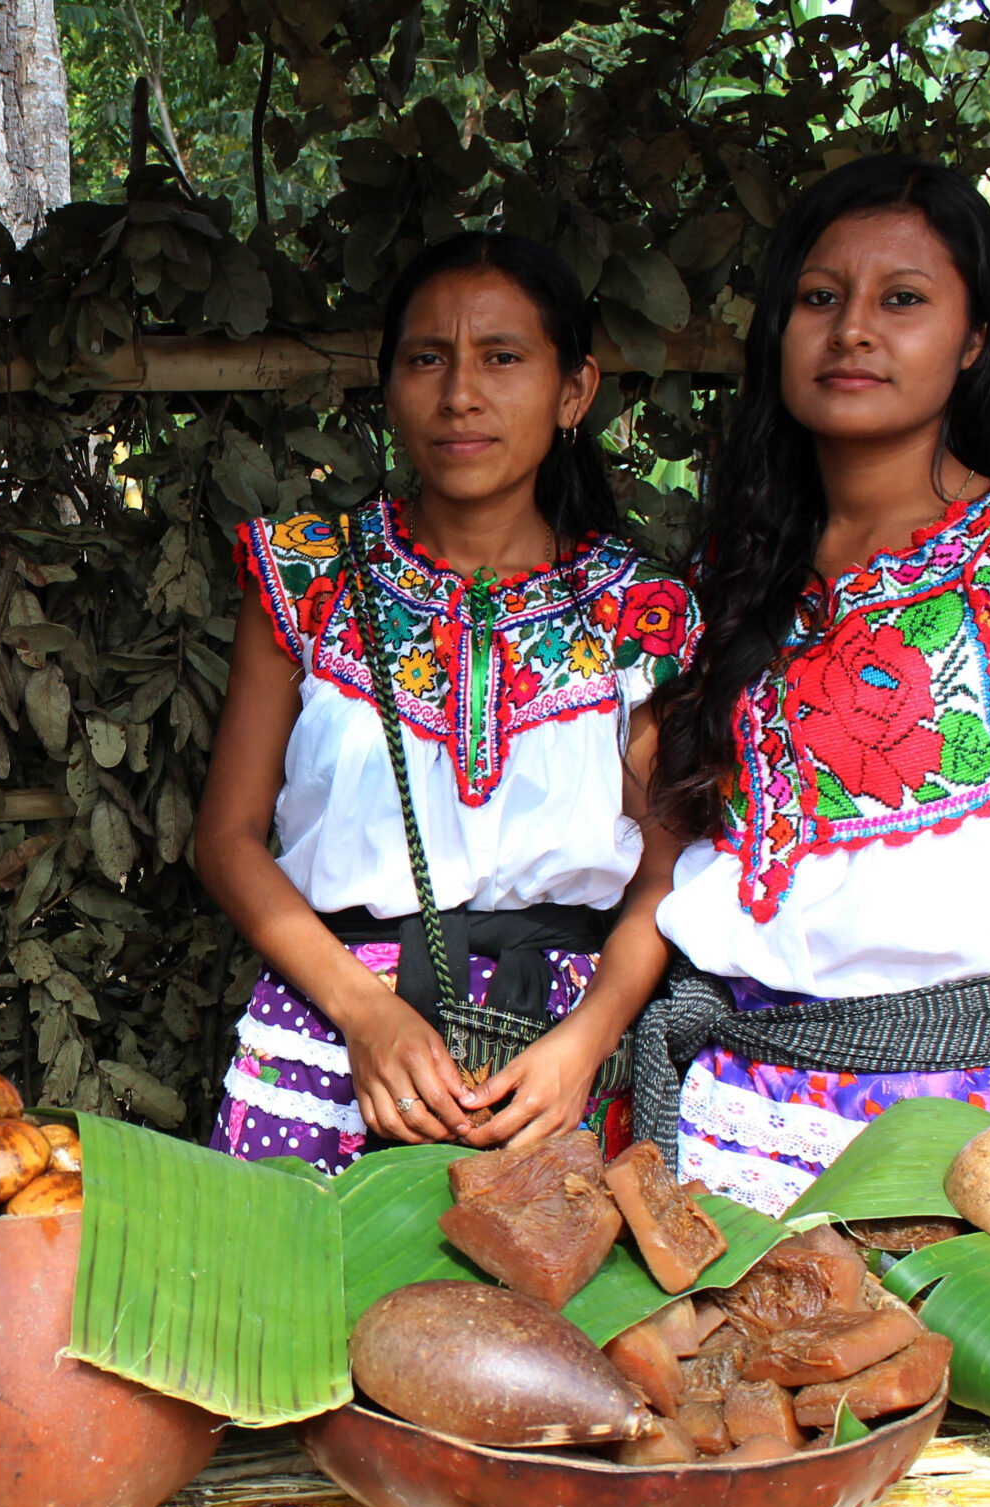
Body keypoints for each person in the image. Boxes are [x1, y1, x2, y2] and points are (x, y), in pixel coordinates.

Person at [641, 155, 990, 1215]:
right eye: (820, 298)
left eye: (903, 300)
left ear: (975, 338)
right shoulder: (738, 579)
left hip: (950, 1120)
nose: (852, 332)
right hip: (724, 1111)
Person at [195, 232, 701, 1175]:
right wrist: (364, 1011)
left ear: (573, 392)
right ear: (389, 387)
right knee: (296, 1318)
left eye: (502, 358)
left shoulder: (639, 614)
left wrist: (586, 1043)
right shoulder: (305, 577)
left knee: (560, 1322)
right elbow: (227, 839)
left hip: (557, 1072)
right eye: (428, 358)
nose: (460, 392)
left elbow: (663, 876)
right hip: (331, 1038)